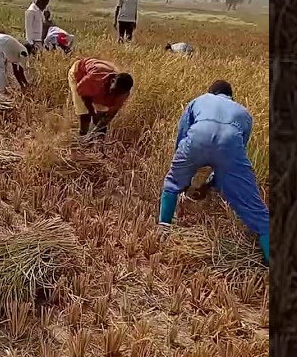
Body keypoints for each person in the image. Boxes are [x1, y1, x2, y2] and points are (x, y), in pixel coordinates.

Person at [157, 81, 269, 264]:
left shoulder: (200, 100)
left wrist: (183, 170)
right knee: (256, 209)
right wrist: (215, 182)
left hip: (197, 138)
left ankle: (163, 228)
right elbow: (239, 148)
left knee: (172, 183)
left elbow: (183, 132)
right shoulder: (244, 113)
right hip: (230, 146)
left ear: (212, 92)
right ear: (231, 97)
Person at [68, 58, 133, 140]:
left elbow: (110, 115)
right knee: (85, 114)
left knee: (102, 114)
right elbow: (83, 93)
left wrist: (100, 125)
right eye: (114, 91)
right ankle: (82, 138)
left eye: (118, 94)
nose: (114, 95)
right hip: (78, 74)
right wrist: (92, 113)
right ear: (112, 81)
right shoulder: (95, 78)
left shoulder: (123, 94)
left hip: (99, 85)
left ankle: (98, 141)